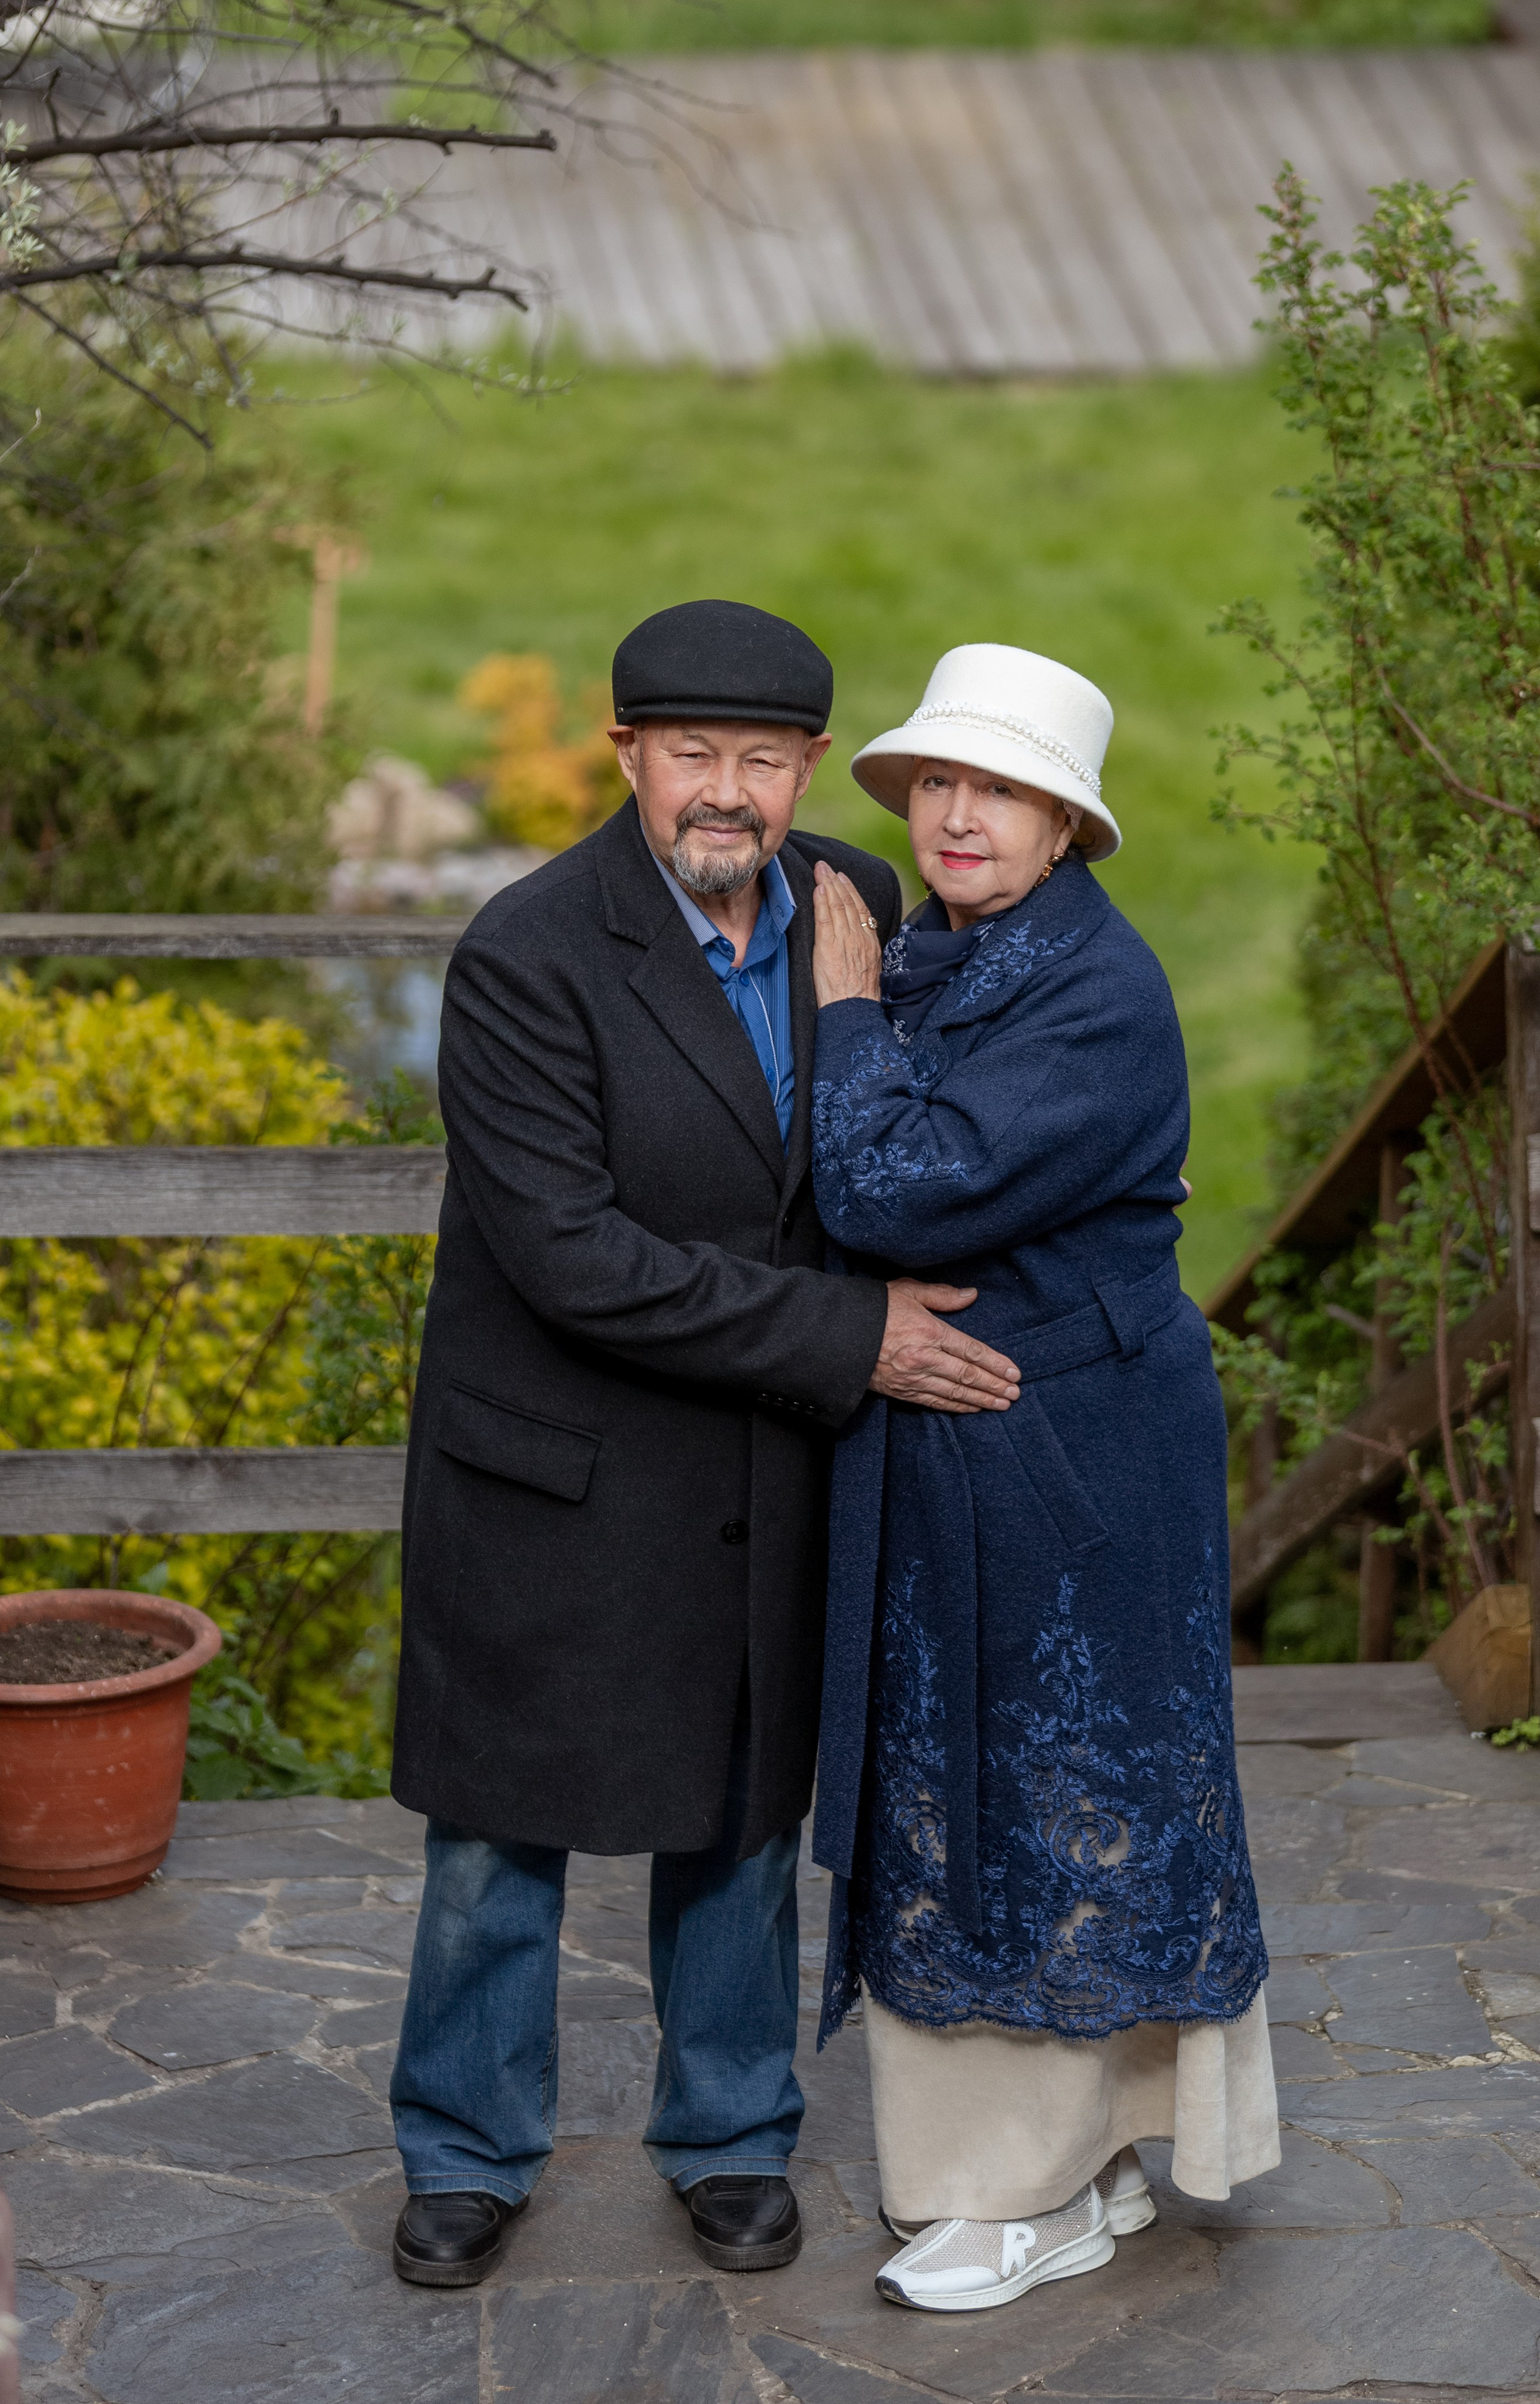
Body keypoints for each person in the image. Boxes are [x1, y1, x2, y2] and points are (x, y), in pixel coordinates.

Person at [385, 599, 1024, 2290]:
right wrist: (856, 1334)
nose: (725, 793)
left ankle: (733, 2135)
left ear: (813, 766)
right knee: (498, 1836)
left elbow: (901, 1129)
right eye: (691, 757)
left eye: (761, 757)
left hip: (754, 1468)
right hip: (558, 1466)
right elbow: (571, 1255)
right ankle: (464, 2149)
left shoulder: (855, 905)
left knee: (739, 1819)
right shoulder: (528, 952)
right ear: (627, 757)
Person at [806, 642, 1279, 2315]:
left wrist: (846, 1014)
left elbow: (888, 1197)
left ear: (1066, 824)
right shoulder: (974, 952)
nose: (952, 814)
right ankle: (1094, 2155)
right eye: (935, 781)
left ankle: (1029, 2195)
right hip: (1000, 1437)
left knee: (1042, 1782)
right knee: (1007, 1775)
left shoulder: (1090, 991)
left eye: (995, 788)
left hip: (1073, 1449)